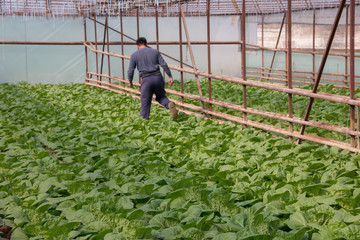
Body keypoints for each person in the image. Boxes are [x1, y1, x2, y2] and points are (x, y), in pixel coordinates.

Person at [127, 37, 178, 120]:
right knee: (161, 97)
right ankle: (169, 104)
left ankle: (144, 123)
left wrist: (130, 81)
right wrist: (170, 76)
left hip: (146, 80)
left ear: (137, 46)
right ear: (146, 44)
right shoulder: (155, 52)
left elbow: (130, 71)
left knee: (145, 102)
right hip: (158, 77)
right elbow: (164, 64)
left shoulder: (134, 55)